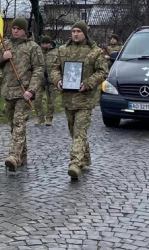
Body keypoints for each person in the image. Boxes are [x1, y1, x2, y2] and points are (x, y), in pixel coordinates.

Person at [50, 21, 108, 180]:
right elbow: (54, 68)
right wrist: (58, 81)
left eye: (78, 31)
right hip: (68, 99)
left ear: (85, 33)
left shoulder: (95, 51)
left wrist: (88, 84)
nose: (75, 34)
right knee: (73, 131)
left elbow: (103, 72)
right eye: (73, 31)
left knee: (79, 131)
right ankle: (85, 158)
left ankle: (75, 164)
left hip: (85, 99)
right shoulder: (63, 50)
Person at [0, 17, 44, 171]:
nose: (15, 31)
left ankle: (13, 156)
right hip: (8, 92)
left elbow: (39, 70)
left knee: (19, 123)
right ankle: (22, 157)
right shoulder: (5, 45)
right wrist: (2, 57)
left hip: (23, 93)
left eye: (18, 28)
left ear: (24, 31)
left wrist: (31, 90)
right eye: (13, 28)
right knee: (14, 126)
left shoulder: (33, 47)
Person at [35, 35, 59, 126]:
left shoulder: (56, 52)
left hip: (52, 80)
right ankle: (40, 117)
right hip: (39, 79)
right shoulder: (38, 52)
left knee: (51, 101)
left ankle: (49, 118)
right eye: (43, 43)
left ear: (50, 44)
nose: (44, 45)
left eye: (46, 44)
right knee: (37, 99)